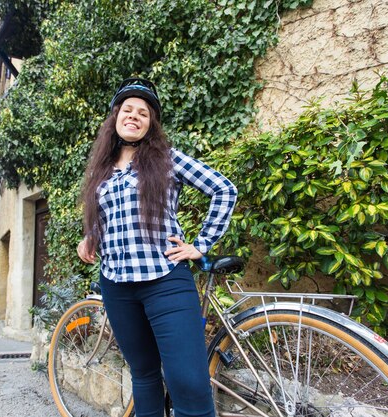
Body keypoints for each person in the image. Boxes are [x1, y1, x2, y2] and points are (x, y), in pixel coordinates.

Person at [77, 78, 237, 417]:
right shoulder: (101, 171)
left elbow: (224, 190)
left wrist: (202, 244)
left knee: (189, 383)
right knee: (144, 375)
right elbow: (107, 216)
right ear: (116, 117)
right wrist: (90, 235)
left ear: (150, 124)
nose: (134, 116)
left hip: (165, 280)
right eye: (128, 110)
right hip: (117, 287)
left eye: (144, 113)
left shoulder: (167, 159)